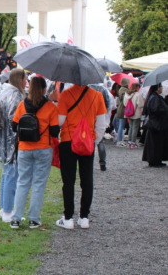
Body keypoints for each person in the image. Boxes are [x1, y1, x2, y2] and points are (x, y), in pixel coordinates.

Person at [56, 82, 107, 229]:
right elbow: (101, 124)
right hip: (87, 141)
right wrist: (94, 140)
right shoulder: (97, 96)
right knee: (87, 179)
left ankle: (68, 218)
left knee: (68, 180)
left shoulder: (65, 95)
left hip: (68, 140)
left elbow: (60, 120)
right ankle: (84, 217)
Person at [10, 77, 60, 229]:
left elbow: (14, 126)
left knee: (22, 182)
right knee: (38, 183)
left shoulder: (21, 105)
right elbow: (54, 131)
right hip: (43, 147)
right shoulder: (51, 107)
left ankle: (16, 218)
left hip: (25, 148)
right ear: (45, 90)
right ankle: (33, 218)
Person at [0, 69, 27, 223]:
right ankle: (8, 210)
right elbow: (14, 118)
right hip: (13, 140)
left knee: (7, 173)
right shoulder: (15, 95)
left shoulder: (7, 92)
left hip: (6, 140)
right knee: (11, 174)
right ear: (20, 79)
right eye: (25, 78)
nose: (27, 81)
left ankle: (4, 207)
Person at [142, 83, 168, 167]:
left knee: (156, 143)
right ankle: (155, 160)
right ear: (157, 88)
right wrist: (165, 110)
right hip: (157, 124)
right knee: (156, 143)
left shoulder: (154, 96)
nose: (162, 88)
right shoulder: (154, 97)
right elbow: (155, 109)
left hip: (157, 123)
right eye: (161, 87)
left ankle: (156, 159)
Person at [124, 82, 144, 148]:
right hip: (136, 113)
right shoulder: (138, 95)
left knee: (130, 127)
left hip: (129, 112)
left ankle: (129, 142)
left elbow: (125, 103)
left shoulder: (127, 94)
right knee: (135, 127)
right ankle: (133, 142)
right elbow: (140, 104)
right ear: (137, 87)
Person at [115, 77, 130, 147]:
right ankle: (119, 140)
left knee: (121, 125)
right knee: (121, 125)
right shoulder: (124, 90)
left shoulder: (121, 89)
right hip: (123, 109)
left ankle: (120, 140)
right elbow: (125, 99)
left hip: (120, 108)